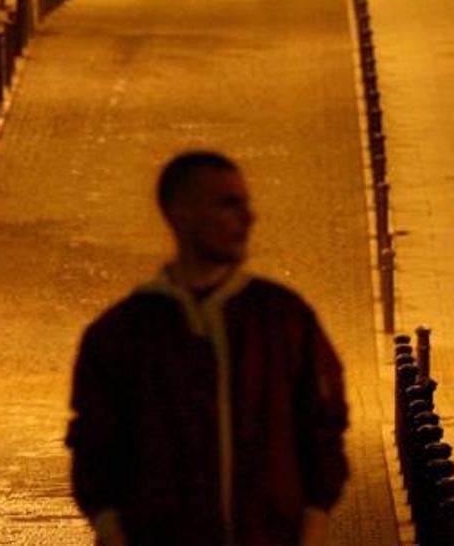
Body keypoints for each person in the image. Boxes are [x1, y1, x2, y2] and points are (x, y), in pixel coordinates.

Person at [67, 151, 349, 545]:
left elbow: (321, 425)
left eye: (246, 203)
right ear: (182, 216)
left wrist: (314, 522)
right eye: (229, 205)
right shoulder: (122, 335)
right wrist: (111, 527)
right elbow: (95, 444)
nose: (248, 219)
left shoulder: (283, 319)